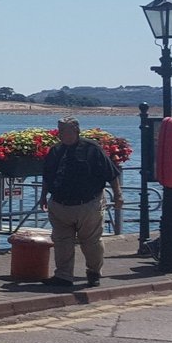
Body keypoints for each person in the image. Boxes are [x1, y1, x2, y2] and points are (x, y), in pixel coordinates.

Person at [36, 117, 124, 288]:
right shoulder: (55, 150)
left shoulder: (92, 149)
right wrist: (43, 196)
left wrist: (118, 195)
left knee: (91, 242)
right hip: (60, 204)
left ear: (75, 130)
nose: (60, 134)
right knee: (62, 242)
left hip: (88, 204)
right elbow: (47, 176)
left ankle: (93, 272)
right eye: (59, 130)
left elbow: (111, 174)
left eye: (64, 130)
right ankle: (63, 276)